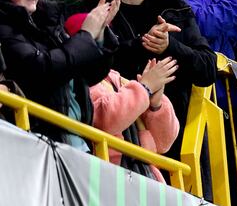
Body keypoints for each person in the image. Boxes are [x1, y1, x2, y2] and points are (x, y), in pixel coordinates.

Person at [0, 0, 119, 149]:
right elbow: (39, 70)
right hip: (42, 143)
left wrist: (98, 35)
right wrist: (86, 37)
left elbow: (88, 75)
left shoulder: (48, 21)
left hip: (78, 139)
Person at [101, 0, 217, 160]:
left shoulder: (173, 6)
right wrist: (144, 44)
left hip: (174, 142)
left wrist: (168, 46)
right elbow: (98, 61)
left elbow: (208, 69)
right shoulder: (100, 7)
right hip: (119, 142)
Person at [65, 13, 179, 183]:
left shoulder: (118, 79)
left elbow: (163, 143)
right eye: (97, 37)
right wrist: (145, 88)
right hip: (110, 180)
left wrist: (156, 104)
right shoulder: (77, 81)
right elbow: (107, 120)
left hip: (144, 176)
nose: (105, 44)